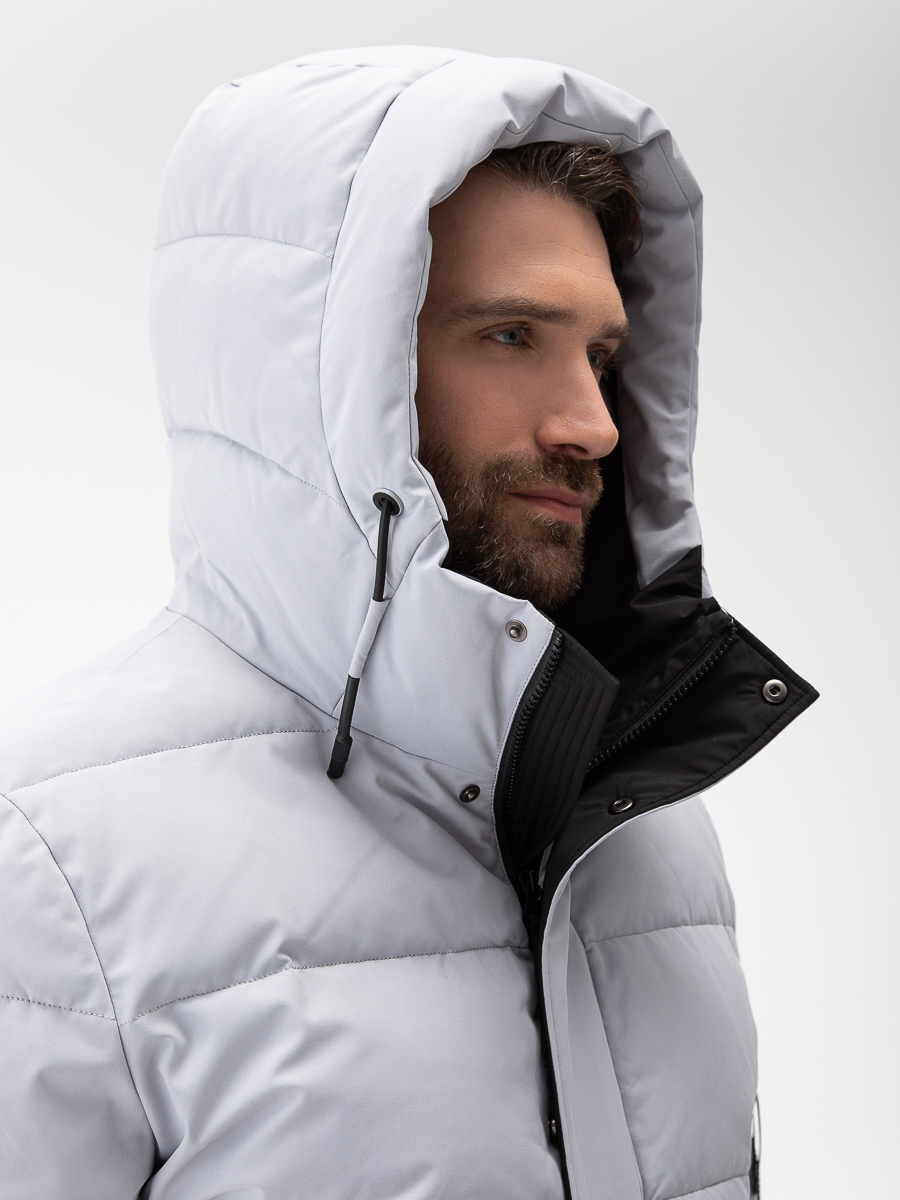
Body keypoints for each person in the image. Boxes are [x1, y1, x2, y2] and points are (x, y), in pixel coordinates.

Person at [0, 45, 817, 1200]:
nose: (593, 422)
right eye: (511, 335)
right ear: (326, 379)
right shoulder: (49, 859)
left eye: (603, 356)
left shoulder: (641, 822)